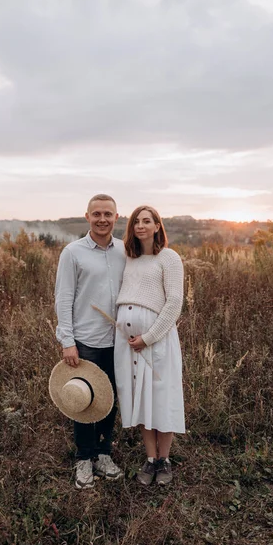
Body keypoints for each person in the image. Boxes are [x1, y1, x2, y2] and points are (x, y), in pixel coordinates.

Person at [55, 194, 126, 489]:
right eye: (96, 213)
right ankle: (84, 458)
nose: (102, 219)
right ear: (87, 217)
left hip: (119, 341)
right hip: (85, 341)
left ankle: (104, 454)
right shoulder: (73, 252)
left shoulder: (124, 251)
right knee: (83, 401)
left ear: (116, 217)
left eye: (107, 214)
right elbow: (64, 298)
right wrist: (67, 340)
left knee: (110, 400)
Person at [115, 205, 185, 486]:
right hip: (128, 344)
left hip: (157, 341)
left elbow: (174, 302)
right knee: (140, 397)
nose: (141, 226)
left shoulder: (169, 258)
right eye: (136, 222)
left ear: (158, 226)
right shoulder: (128, 258)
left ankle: (165, 460)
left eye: (147, 221)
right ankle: (150, 458)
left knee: (161, 395)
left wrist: (149, 337)